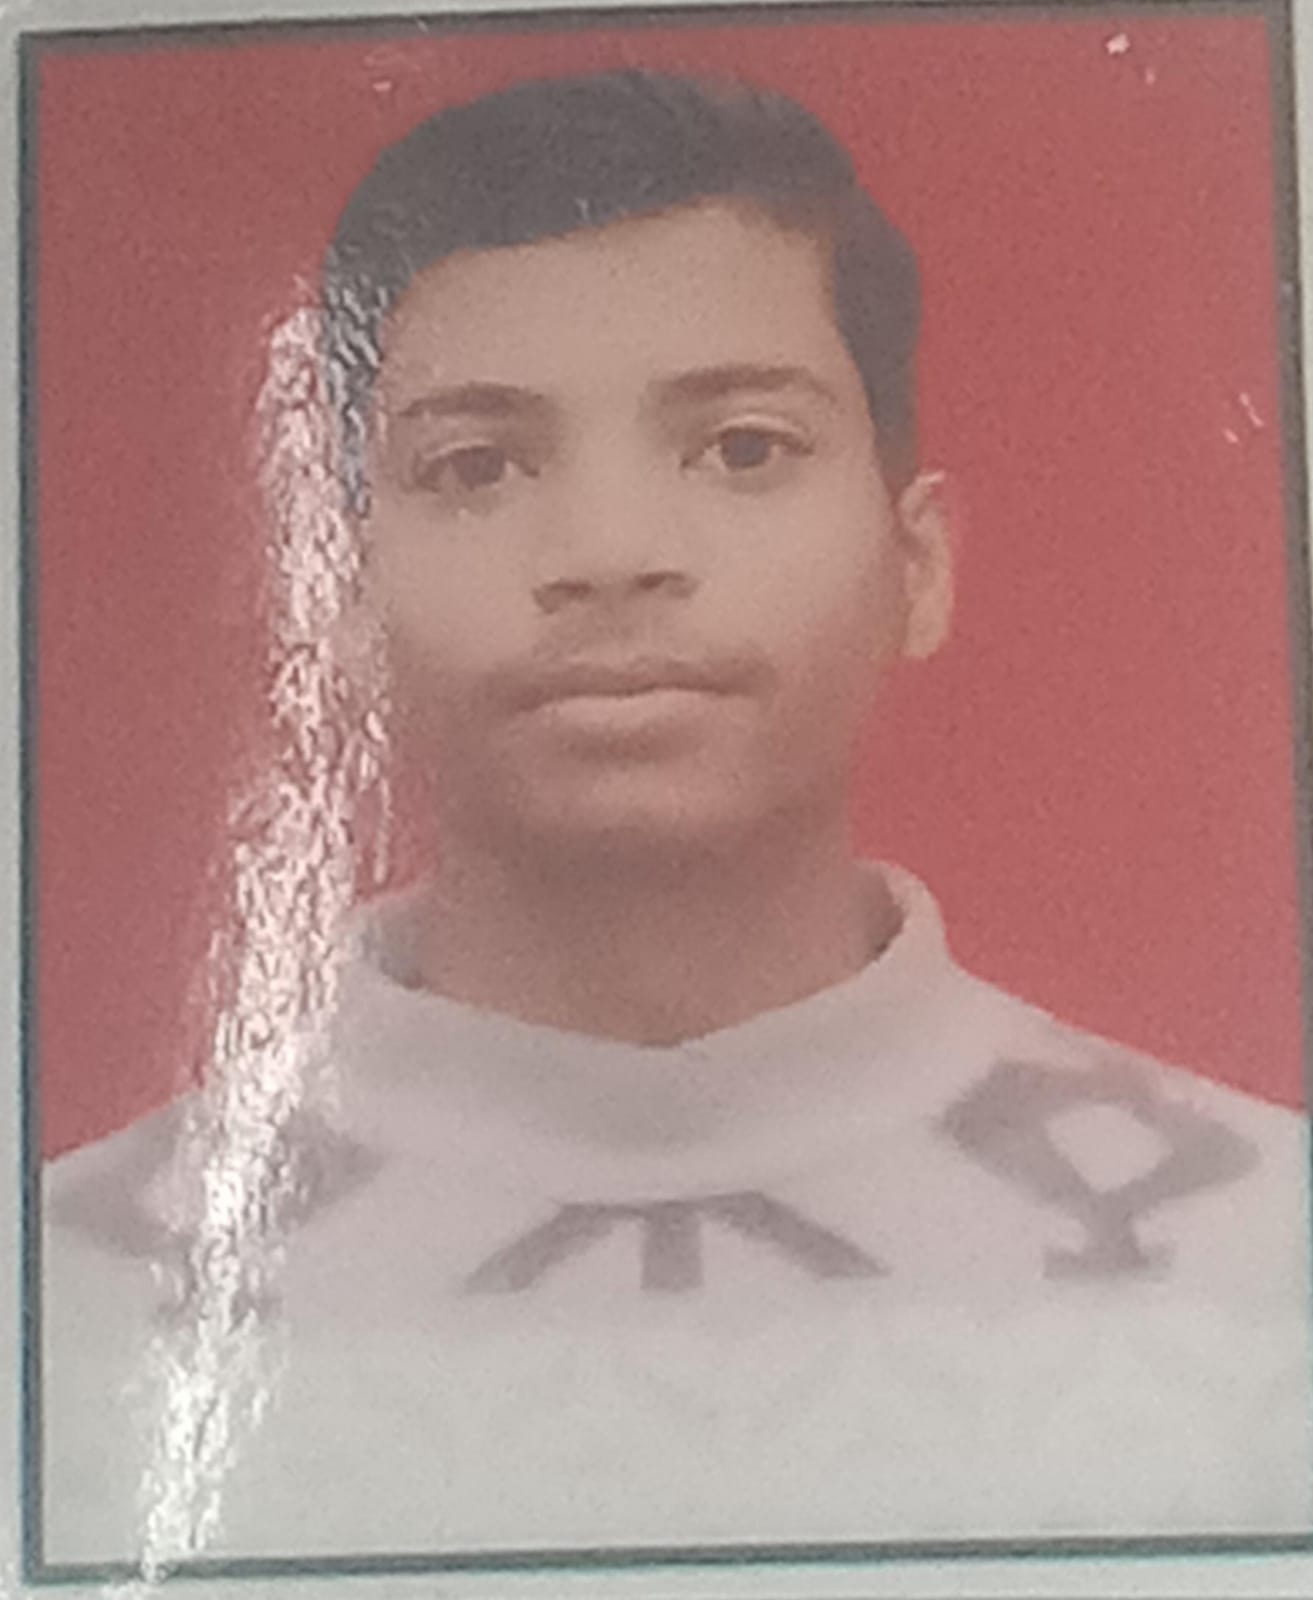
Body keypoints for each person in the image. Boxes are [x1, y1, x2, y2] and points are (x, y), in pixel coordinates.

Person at [41, 69, 1313, 1569]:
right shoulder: (67, 1297)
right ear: (345, 599)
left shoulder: (1265, 1242)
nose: (610, 553)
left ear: (916, 566)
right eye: (478, 466)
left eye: (742, 447)